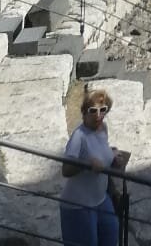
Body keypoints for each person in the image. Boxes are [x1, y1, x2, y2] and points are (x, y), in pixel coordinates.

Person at [60, 85, 123, 246]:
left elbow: (102, 155)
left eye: (103, 110)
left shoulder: (103, 129)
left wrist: (112, 156)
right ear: (84, 113)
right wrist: (86, 164)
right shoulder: (78, 137)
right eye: (93, 111)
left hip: (101, 199)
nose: (98, 115)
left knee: (111, 235)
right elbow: (66, 170)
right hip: (79, 205)